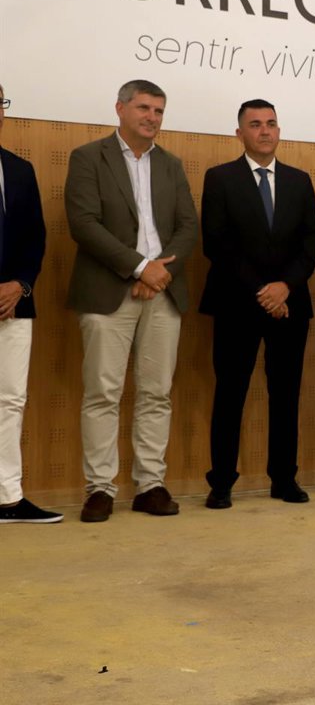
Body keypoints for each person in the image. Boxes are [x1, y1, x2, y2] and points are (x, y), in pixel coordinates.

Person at [64, 79, 199, 522]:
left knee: (156, 393)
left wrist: (158, 274)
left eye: (158, 111)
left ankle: (150, 485)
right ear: (120, 108)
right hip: (108, 291)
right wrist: (141, 267)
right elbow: (84, 224)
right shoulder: (88, 157)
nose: (152, 117)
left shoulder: (171, 164)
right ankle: (100, 489)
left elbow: (187, 227)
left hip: (163, 292)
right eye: (143, 108)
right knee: (103, 392)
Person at [199, 100, 315, 509]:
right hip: (236, 303)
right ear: (240, 133)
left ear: (278, 131)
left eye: (271, 123)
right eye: (255, 124)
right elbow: (217, 243)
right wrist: (263, 291)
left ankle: (284, 479)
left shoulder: (299, 180)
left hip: (290, 303)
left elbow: (311, 241)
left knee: (286, 395)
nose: (265, 131)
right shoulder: (220, 178)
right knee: (230, 394)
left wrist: (285, 287)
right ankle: (221, 482)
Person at [0, 84, 60, 524]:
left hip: (13, 304)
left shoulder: (19, 169)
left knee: (10, 401)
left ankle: (7, 498)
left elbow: (34, 237)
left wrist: (20, 284)